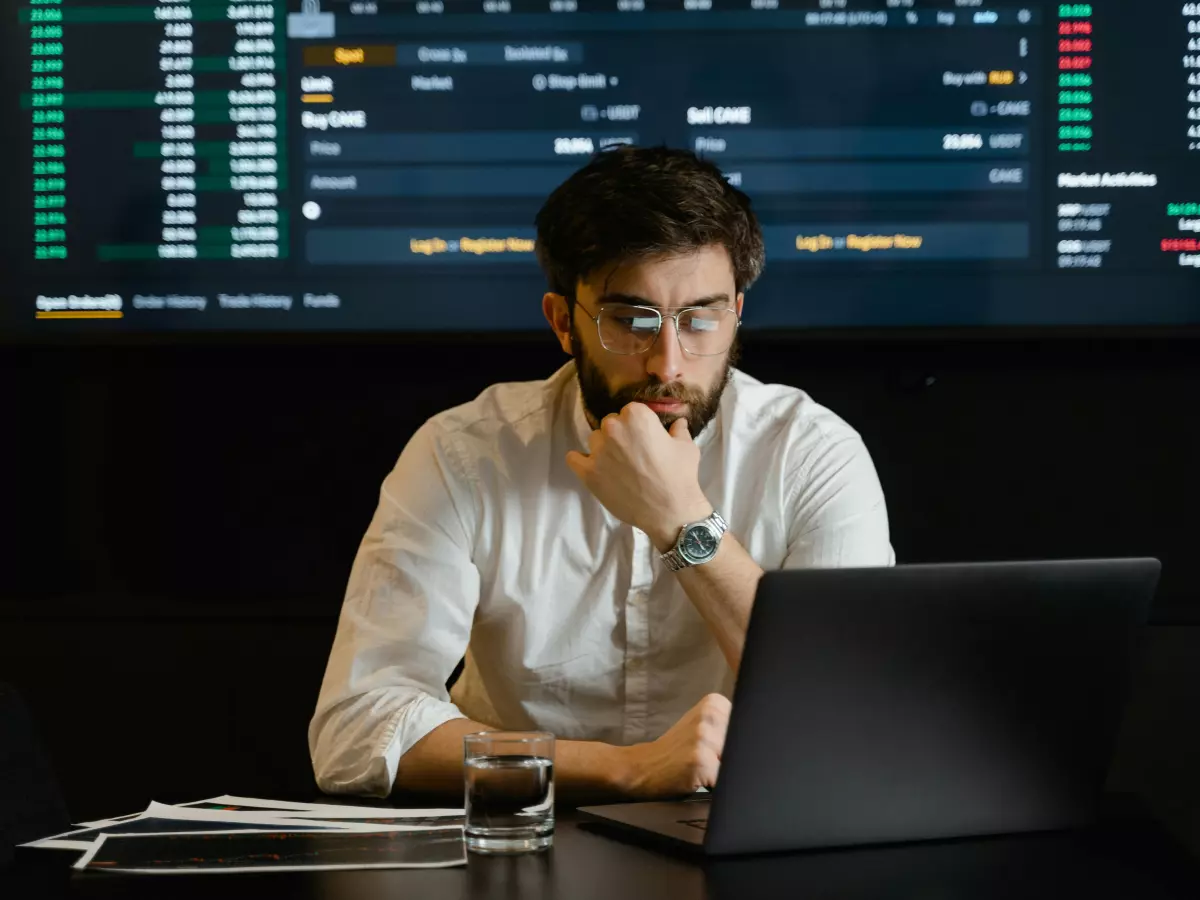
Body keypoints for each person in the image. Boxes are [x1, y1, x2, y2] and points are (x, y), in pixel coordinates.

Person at [309, 146, 894, 801]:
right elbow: (356, 733)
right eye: (630, 320)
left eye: (701, 318)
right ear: (564, 322)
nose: (667, 363)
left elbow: (852, 713)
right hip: (518, 835)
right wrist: (628, 770)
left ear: (737, 313)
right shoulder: (465, 453)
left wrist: (683, 524)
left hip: (745, 832)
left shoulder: (813, 453)